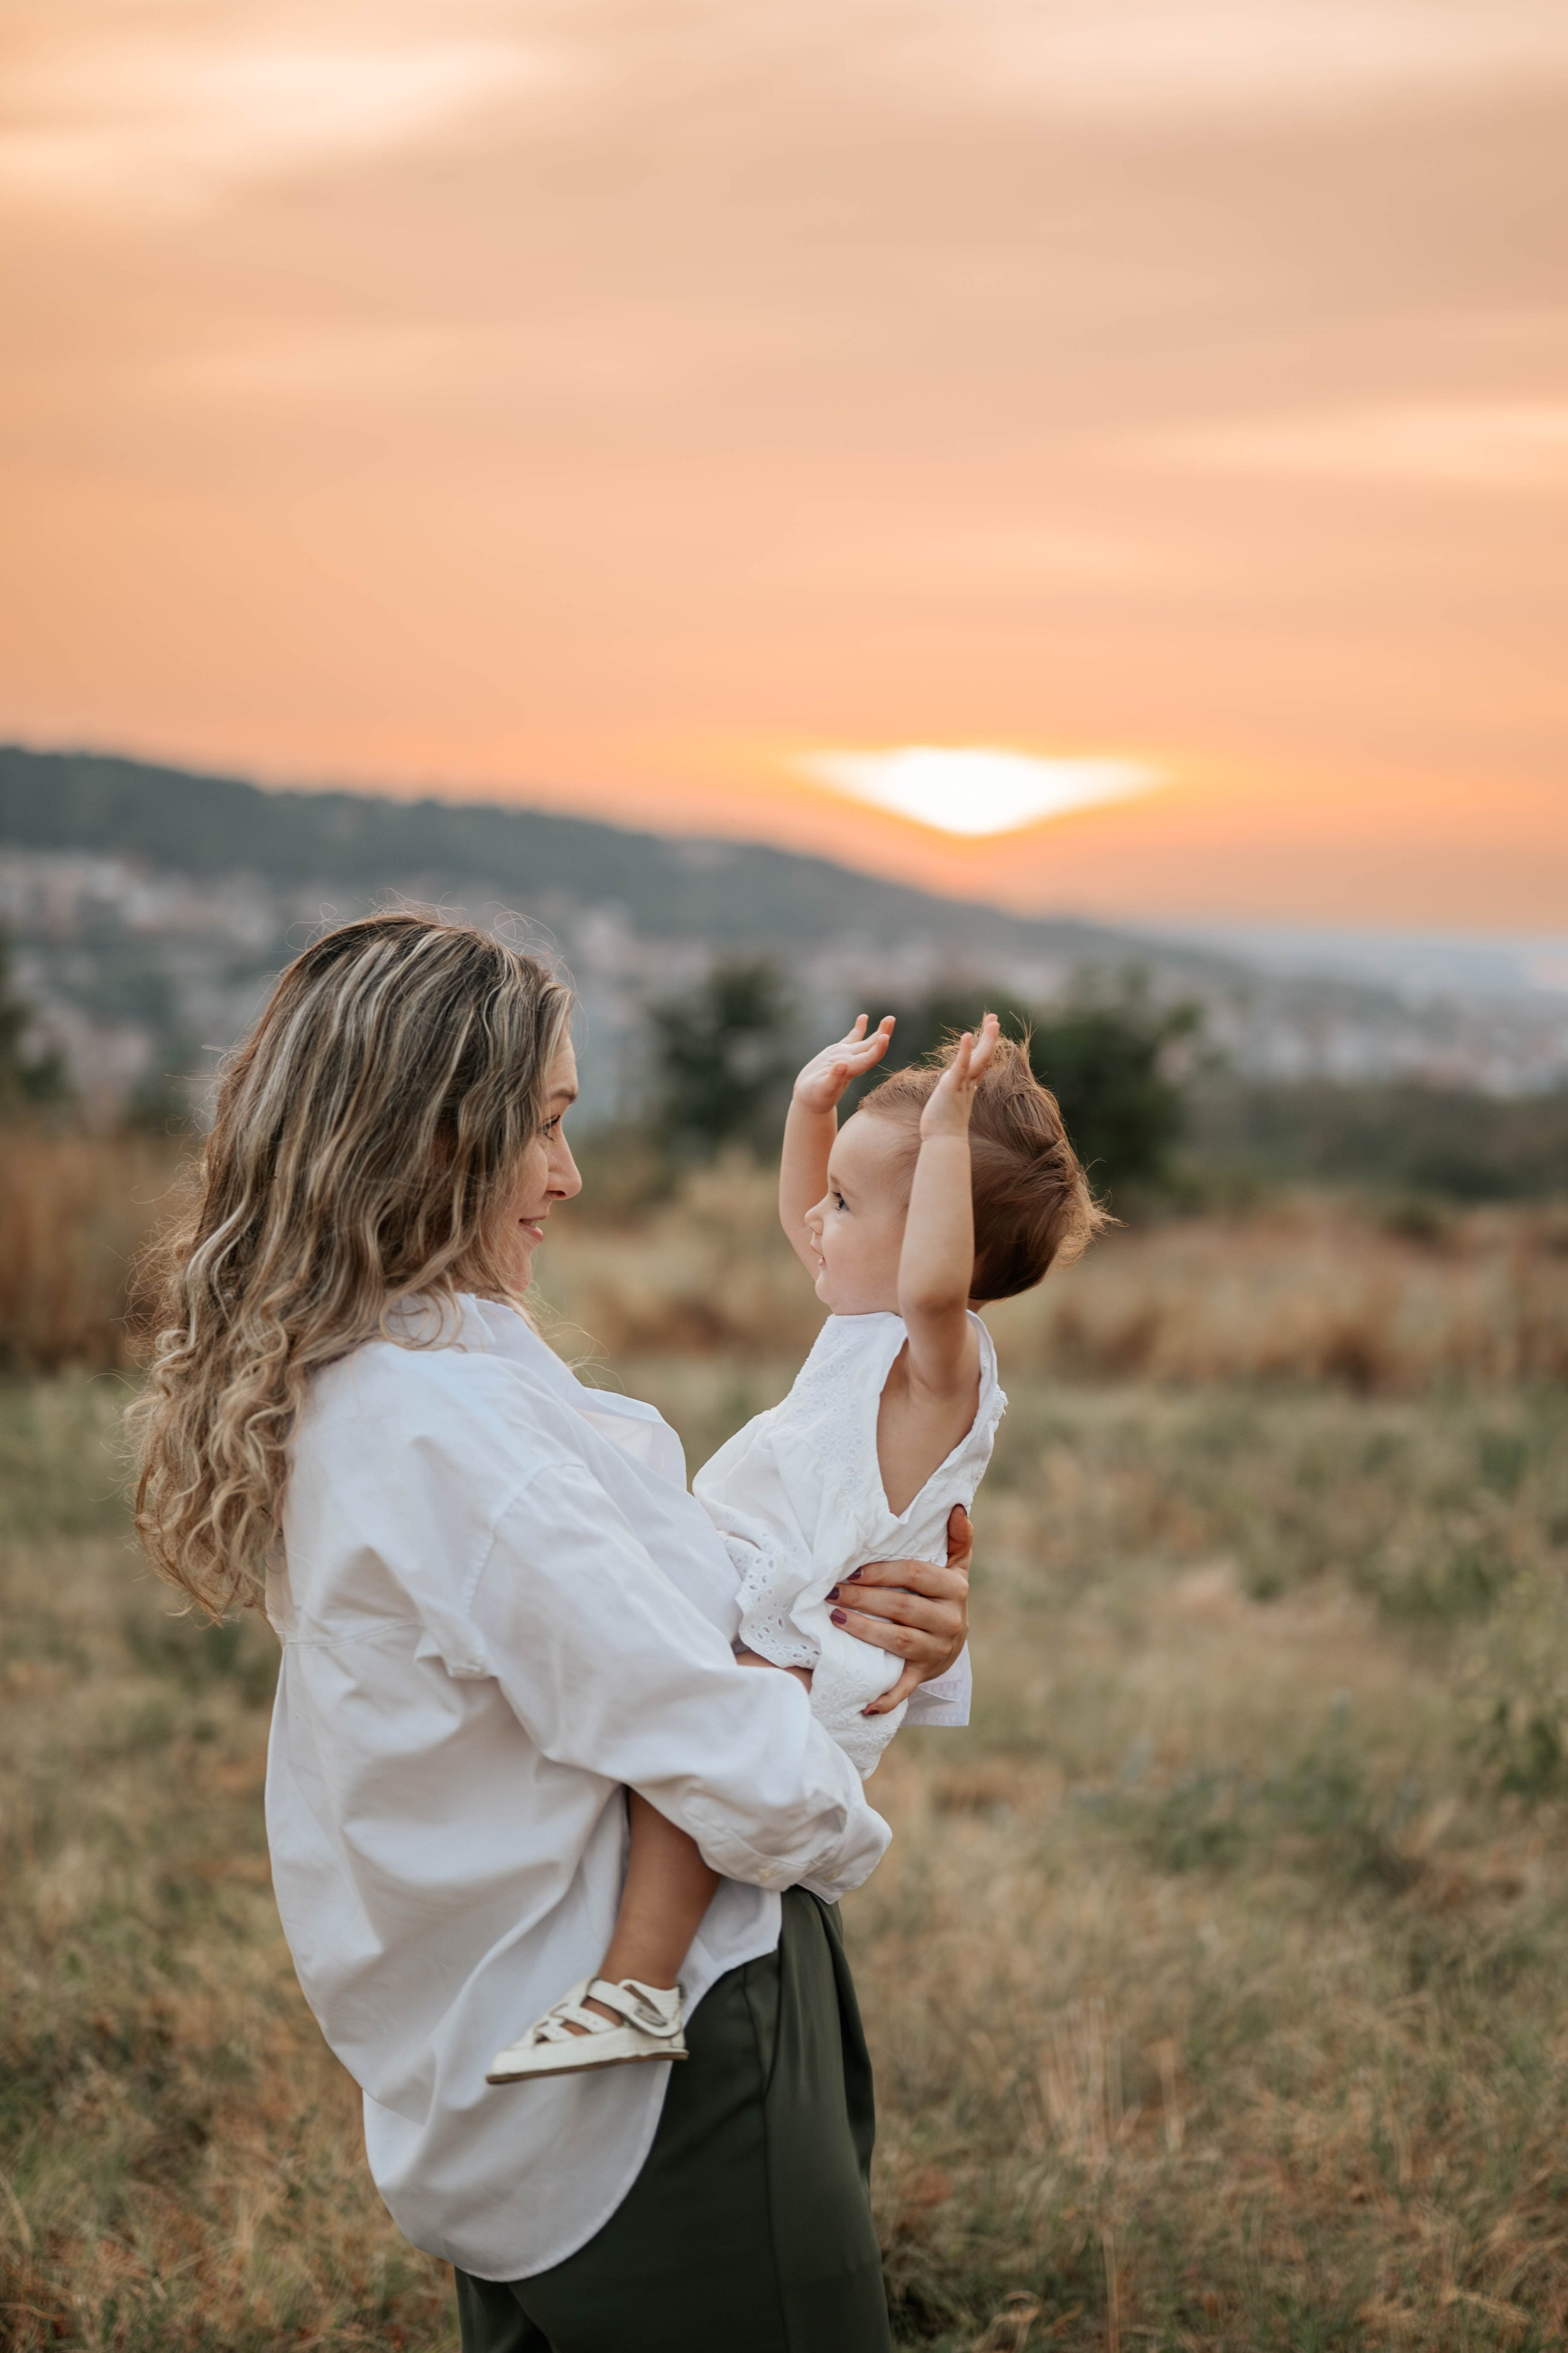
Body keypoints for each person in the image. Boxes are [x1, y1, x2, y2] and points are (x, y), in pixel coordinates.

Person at [131, 913, 972, 2353]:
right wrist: (849, 1685)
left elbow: (628, 1627)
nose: (567, 1176)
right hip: (655, 2087)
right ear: (435, 1139)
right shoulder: (449, 1429)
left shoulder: (384, 1376)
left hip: (496, 2068)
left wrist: (877, 1633)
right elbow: (730, 1758)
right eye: (543, 1127)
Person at [489, 1010, 1102, 2084]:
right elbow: (800, 1215)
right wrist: (811, 1107)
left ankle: (637, 1986)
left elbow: (927, 1282)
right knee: (665, 1735)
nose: (819, 1218)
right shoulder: (863, 1316)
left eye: (851, 1203)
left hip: (821, 1641)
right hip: (781, 1598)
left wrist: (951, 1129)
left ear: (934, 1242)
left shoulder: (938, 1360)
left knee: (698, 1751)